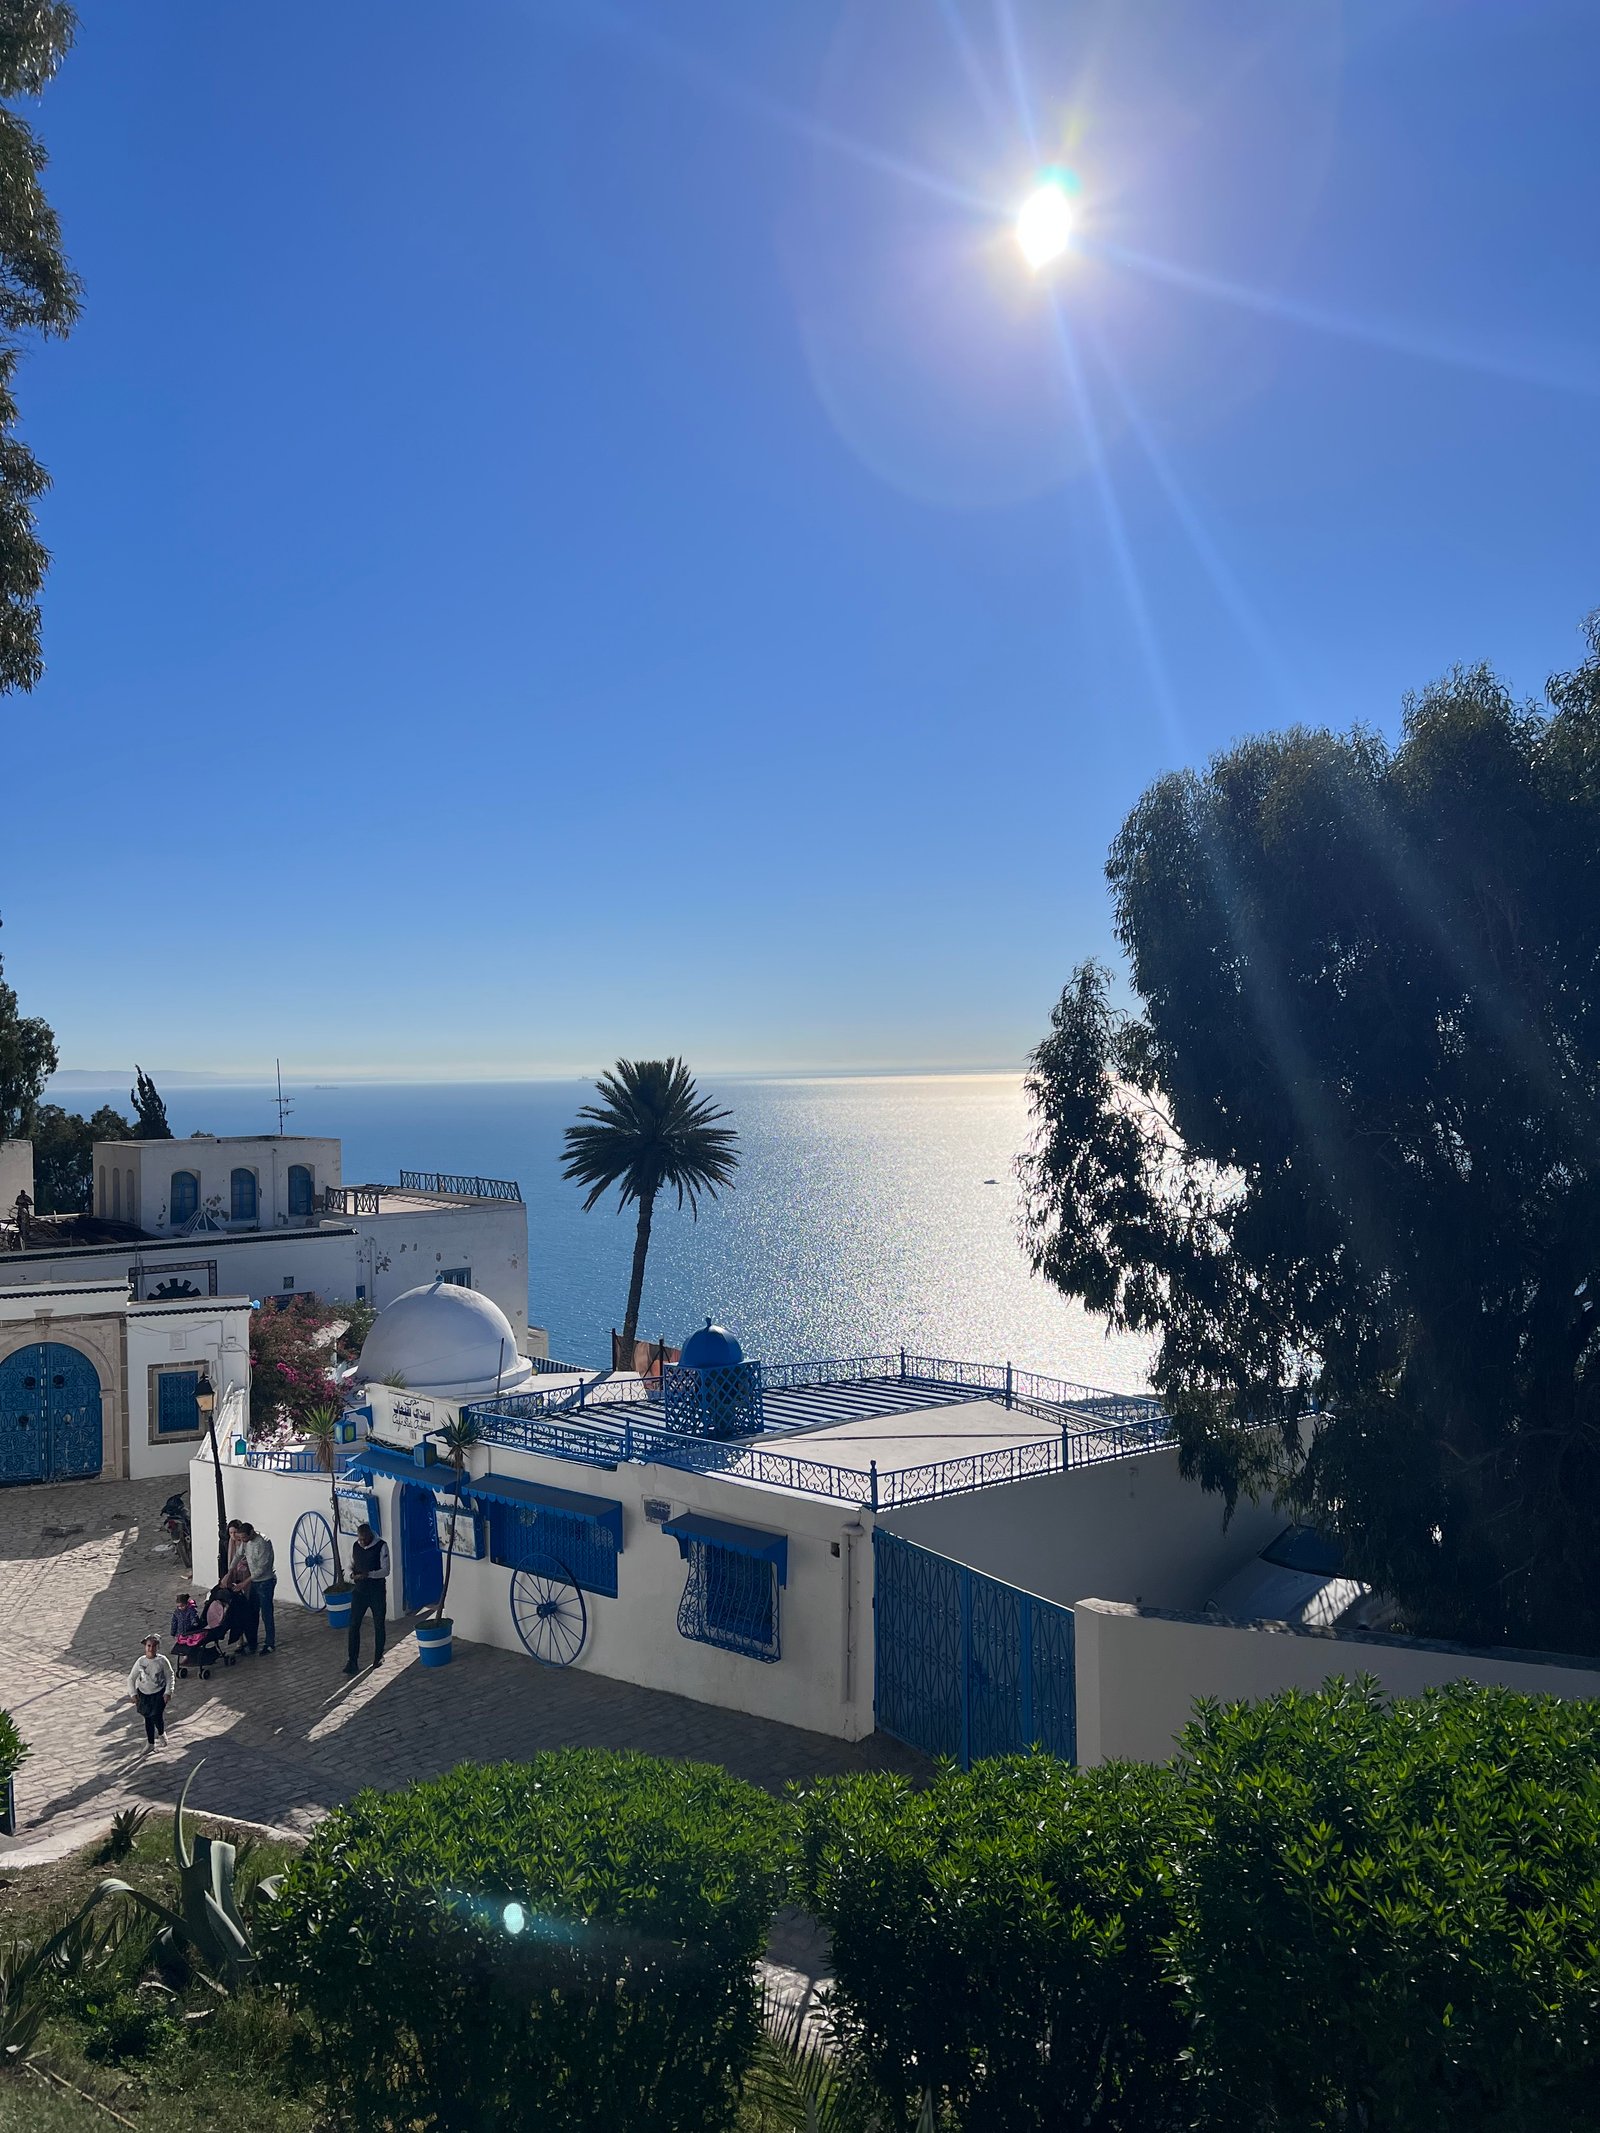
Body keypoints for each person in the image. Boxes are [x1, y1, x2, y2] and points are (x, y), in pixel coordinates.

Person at [344, 1522, 389, 1675]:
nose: (362, 1542)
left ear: (370, 1536)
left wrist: (369, 1574)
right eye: (360, 1539)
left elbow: (385, 1570)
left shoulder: (382, 1546)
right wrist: (352, 1575)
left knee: (378, 1624)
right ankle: (352, 1660)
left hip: (376, 1592)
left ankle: (378, 1656)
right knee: (354, 1624)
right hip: (360, 1591)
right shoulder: (355, 1547)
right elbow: (350, 1564)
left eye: (364, 1539)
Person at [128, 1635, 175, 1749]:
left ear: (157, 1647)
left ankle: (161, 1732)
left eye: (154, 1646)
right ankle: (150, 1743)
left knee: (156, 1715)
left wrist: (168, 1691)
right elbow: (131, 1678)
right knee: (148, 1718)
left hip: (158, 1693)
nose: (151, 1648)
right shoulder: (140, 1661)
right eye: (149, 1646)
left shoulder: (162, 1661)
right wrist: (133, 1693)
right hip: (144, 1694)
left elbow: (170, 1675)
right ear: (145, 1647)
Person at [242, 1522, 277, 1654]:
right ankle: (252, 1641)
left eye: (244, 1537)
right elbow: (240, 1554)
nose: (243, 1541)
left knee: (266, 1613)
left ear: (251, 1532)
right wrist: (230, 1570)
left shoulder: (262, 1543)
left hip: (265, 1581)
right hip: (255, 1583)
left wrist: (246, 1582)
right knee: (252, 1612)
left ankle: (270, 1643)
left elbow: (262, 1568)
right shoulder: (247, 1543)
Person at [224, 1521, 256, 1652]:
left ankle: (250, 1637)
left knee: (248, 1608)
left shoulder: (246, 1543)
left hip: (247, 1576)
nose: (233, 1535)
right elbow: (231, 1560)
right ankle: (240, 1639)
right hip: (235, 1576)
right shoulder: (230, 1544)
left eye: (235, 1532)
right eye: (230, 1533)